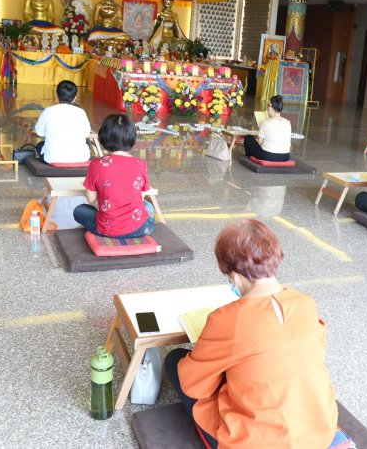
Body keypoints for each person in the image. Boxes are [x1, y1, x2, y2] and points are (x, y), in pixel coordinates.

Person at [163, 219, 338, 448]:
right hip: (319, 433)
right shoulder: (306, 303)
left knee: (174, 359)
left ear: (234, 274)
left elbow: (194, 386)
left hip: (255, 442)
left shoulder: (227, 318)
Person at [73, 114, 155, 239]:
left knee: (80, 210)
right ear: (132, 138)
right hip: (141, 228)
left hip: (107, 228)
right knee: (148, 206)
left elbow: (91, 199)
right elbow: (141, 196)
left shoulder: (96, 164)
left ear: (104, 136)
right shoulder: (140, 164)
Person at [33, 80, 91, 164]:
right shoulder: (81, 112)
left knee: (40, 145)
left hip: (54, 158)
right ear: (75, 98)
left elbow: (39, 132)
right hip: (81, 158)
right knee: (86, 144)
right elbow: (86, 133)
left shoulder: (48, 111)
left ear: (56, 95)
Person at [244, 95, 291, 162]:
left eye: (268, 106)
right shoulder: (288, 123)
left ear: (271, 108)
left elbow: (260, 143)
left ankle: (249, 156)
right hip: (285, 156)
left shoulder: (266, 123)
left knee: (248, 138)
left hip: (268, 156)